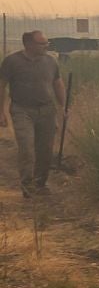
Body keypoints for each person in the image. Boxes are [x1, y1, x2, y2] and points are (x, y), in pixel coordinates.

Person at [0, 29, 67, 198]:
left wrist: (64, 106)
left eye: (46, 43)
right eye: (42, 43)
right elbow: (2, 86)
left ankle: (40, 183)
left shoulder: (51, 62)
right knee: (27, 148)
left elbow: (58, 84)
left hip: (46, 110)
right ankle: (28, 186)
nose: (46, 46)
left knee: (45, 150)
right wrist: (1, 112)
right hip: (22, 110)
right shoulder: (11, 62)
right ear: (28, 44)